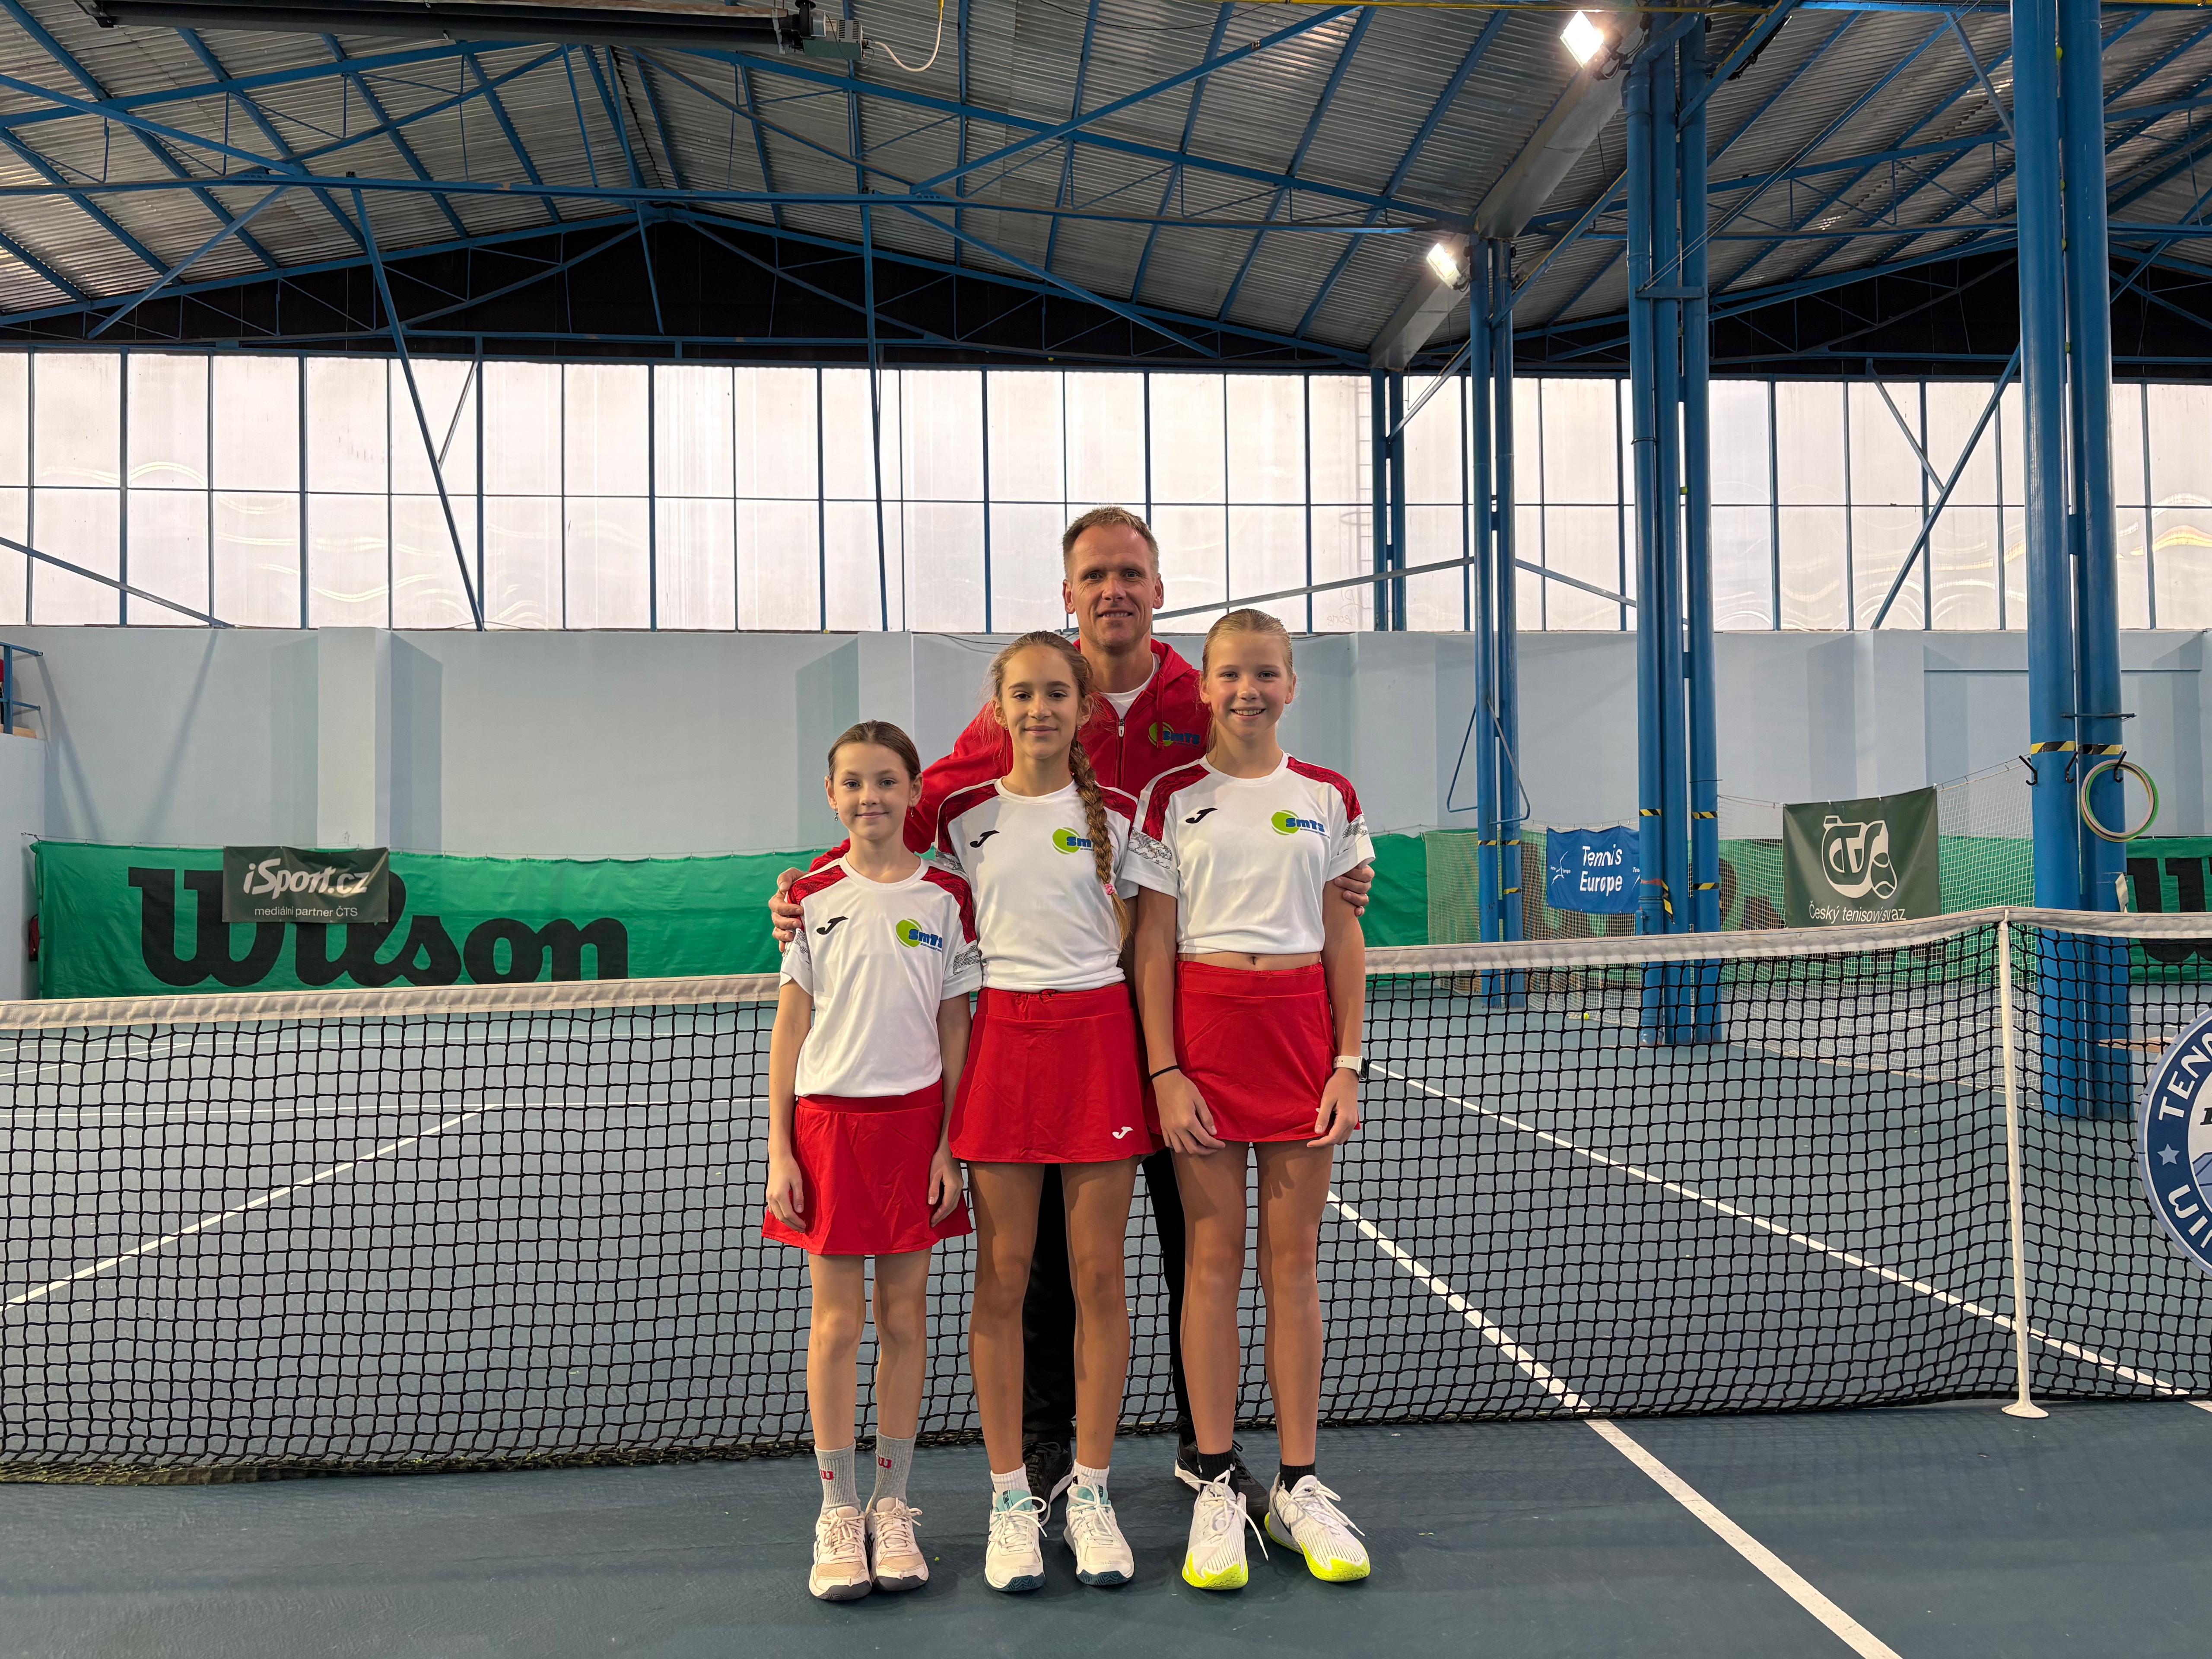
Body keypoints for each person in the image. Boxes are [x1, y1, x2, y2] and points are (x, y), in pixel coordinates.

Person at [771, 506, 1373, 1519]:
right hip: (1047, 1037)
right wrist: (815, 884)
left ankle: (1206, 1453)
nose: (1113, 591)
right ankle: (1046, 1452)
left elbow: (1268, 812)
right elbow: (914, 809)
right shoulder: (1030, 697)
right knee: (1046, 1265)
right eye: (1094, 576)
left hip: (1183, 1027)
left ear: (1157, 589)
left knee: (1195, 1250)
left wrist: (1331, 877)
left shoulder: (1200, 694)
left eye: (1129, 573)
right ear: (1068, 595)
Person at [1126, 608, 1373, 1592]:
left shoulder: (1328, 796)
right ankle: (1218, 1482)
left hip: (1300, 1041)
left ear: (1291, 685)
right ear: (1204, 686)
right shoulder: (1169, 797)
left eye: (1266, 673)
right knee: (1212, 1264)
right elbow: (1151, 944)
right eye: (1230, 674)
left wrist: (1347, 1062)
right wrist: (1164, 1070)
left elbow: (1343, 934)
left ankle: (1299, 1483)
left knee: (1294, 1266)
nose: (1247, 690)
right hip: (1205, 1040)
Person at [934, 631, 1149, 1592]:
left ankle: (1092, 1493)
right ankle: (1011, 1500)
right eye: (1022, 694)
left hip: (1098, 1046)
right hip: (1002, 1046)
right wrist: (794, 892)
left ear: (1084, 707)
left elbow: (1155, 935)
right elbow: (875, 847)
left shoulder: (1127, 816)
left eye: (1057, 693)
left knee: (1099, 1277)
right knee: (1004, 1280)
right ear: (998, 709)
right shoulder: (961, 817)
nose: (1039, 709)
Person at [764, 720, 981, 1603]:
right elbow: (791, 1025)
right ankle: (836, 1510)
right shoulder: (811, 894)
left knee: (904, 1321)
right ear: (831, 795)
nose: (870, 798)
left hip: (913, 1132)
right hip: (826, 1130)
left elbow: (956, 1028)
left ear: (914, 791)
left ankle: (892, 1506)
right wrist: (780, 1147)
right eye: (853, 783)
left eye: (887, 781)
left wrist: (949, 1145)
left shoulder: (947, 896)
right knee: (836, 1326)